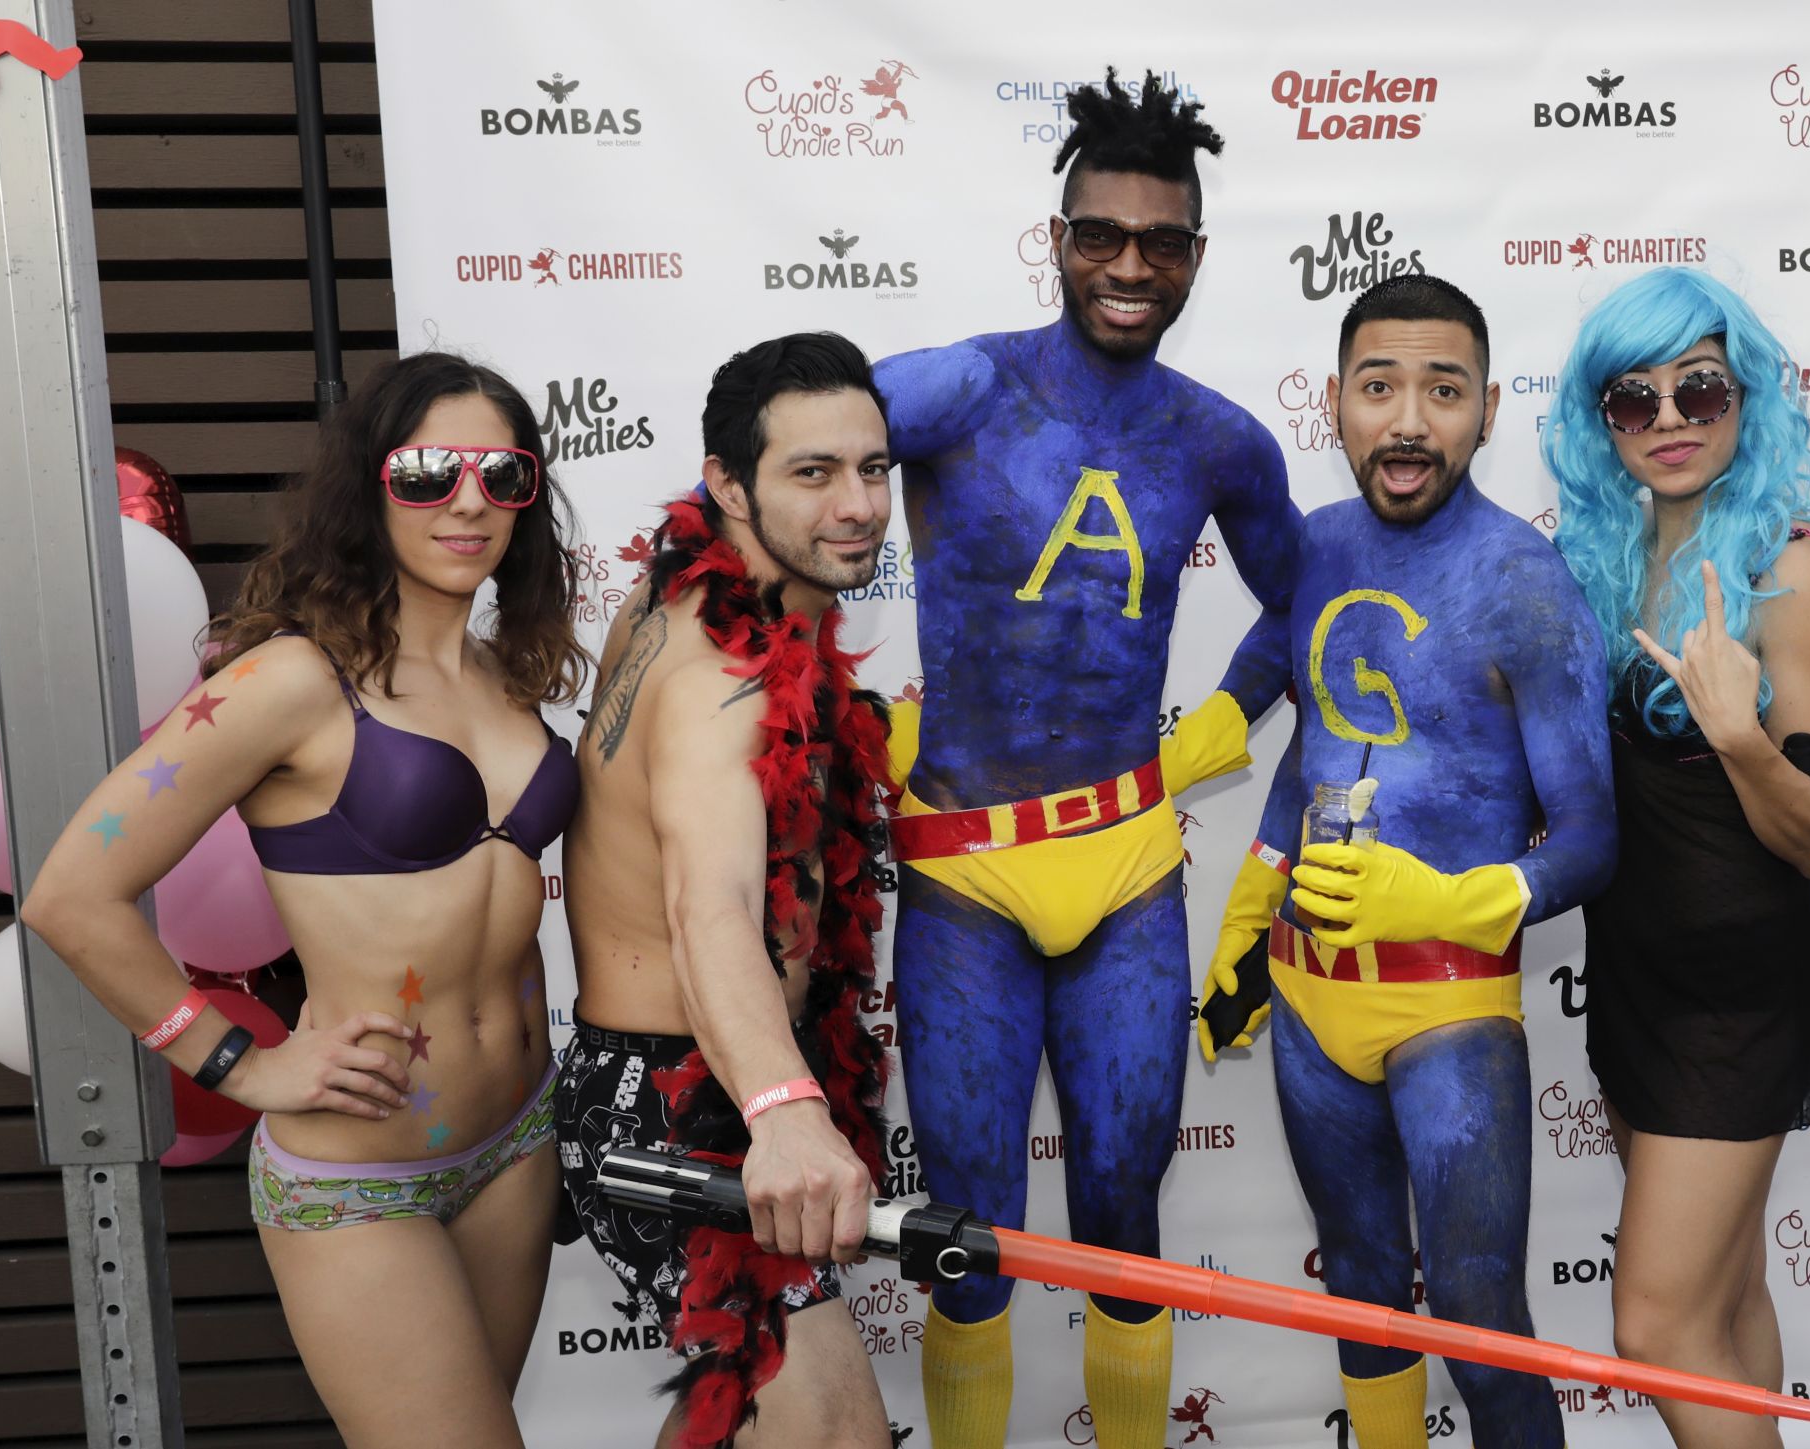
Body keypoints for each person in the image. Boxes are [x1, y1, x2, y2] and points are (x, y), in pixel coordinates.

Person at [21, 352, 587, 1449]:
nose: (467, 499)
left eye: (501, 474)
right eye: (427, 470)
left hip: (516, 1139)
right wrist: (242, 1063)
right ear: (368, 487)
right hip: (358, 1174)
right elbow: (69, 894)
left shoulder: (503, 672)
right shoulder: (290, 680)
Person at [871, 69, 1299, 1449]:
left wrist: (1223, 725)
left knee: (1123, 1211)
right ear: (1056, 238)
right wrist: (832, 710)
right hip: (960, 876)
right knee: (963, 1228)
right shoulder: (961, 386)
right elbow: (782, 459)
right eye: (1101, 234)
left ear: (1194, 259)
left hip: (1124, 868)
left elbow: (1317, 608)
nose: (1129, 265)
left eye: (1159, 243)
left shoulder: (1221, 437)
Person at [1200, 275, 1616, 1449]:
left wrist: (1452, 899)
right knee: (1365, 1291)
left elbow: (1590, 840)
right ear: (1331, 403)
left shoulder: (1523, 586)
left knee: (1481, 1318)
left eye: (1442, 391)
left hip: (1445, 1010)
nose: (1407, 420)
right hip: (1303, 997)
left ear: (1486, 413)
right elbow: (1309, 740)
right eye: (1378, 387)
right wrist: (1253, 895)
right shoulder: (1310, 551)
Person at [556, 333, 897, 1449]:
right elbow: (705, 907)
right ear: (725, 484)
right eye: (812, 473)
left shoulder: (691, 608)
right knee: (829, 1430)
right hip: (681, 1103)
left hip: (704, 1083)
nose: (856, 505)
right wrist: (784, 1115)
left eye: (873, 468)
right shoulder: (720, 674)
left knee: (737, 1420)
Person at [1543, 266, 1810, 1449]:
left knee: (1657, 1327)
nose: (1670, 419)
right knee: (1722, 1302)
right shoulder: (1593, 561)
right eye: (1634, 399)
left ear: (1744, 400)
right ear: (1598, 420)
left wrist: (1736, 734)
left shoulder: (1794, 572)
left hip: (1733, 1003)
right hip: (1632, 981)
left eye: (1700, 389)